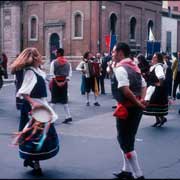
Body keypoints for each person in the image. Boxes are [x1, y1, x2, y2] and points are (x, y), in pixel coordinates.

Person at [10, 47, 59, 175]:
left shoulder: (37, 70)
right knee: (36, 136)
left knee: (39, 135)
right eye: (39, 56)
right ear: (36, 58)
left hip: (40, 105)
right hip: (34, 108)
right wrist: (33, 103)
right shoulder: (30, 72)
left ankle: (31, 159)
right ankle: (33, 161)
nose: (41, 58)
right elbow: (24, 92)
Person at [112, 42, 146, 179]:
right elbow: (143, 85)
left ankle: (139, 175)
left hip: (126, 109)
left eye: (114, 52)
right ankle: (126, 170)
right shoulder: (135, 67)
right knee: (128, 138)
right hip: (136, 109)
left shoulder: (121, 69)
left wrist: (138, 102)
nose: (112, 54)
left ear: (120, 53)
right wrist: (141, 100)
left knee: (125, 141)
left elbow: (125, 90)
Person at [143, 52, 168, 127]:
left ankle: (162, 118)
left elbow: (161, 77)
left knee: (155, 104)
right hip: (153, 88)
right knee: (154, 105)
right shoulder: (154, 66)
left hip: (157, 90)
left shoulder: (158, 67)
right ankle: (158, 120)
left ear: (158, 59)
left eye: (154, 57)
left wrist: (160, 84)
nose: (152, 58)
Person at [49, 48, 72, 124]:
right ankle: (68, 116)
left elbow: (52, 74)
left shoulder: (54, 62)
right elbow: (69, 75)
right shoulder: (68, 63)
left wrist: (57, 83)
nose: (55, 53)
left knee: (54, 100)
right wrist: (64, 82)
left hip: (56, 83)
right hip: (64, 83)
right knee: (64, 100)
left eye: (56, 52)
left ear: (58, 53)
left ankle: (52, 117)